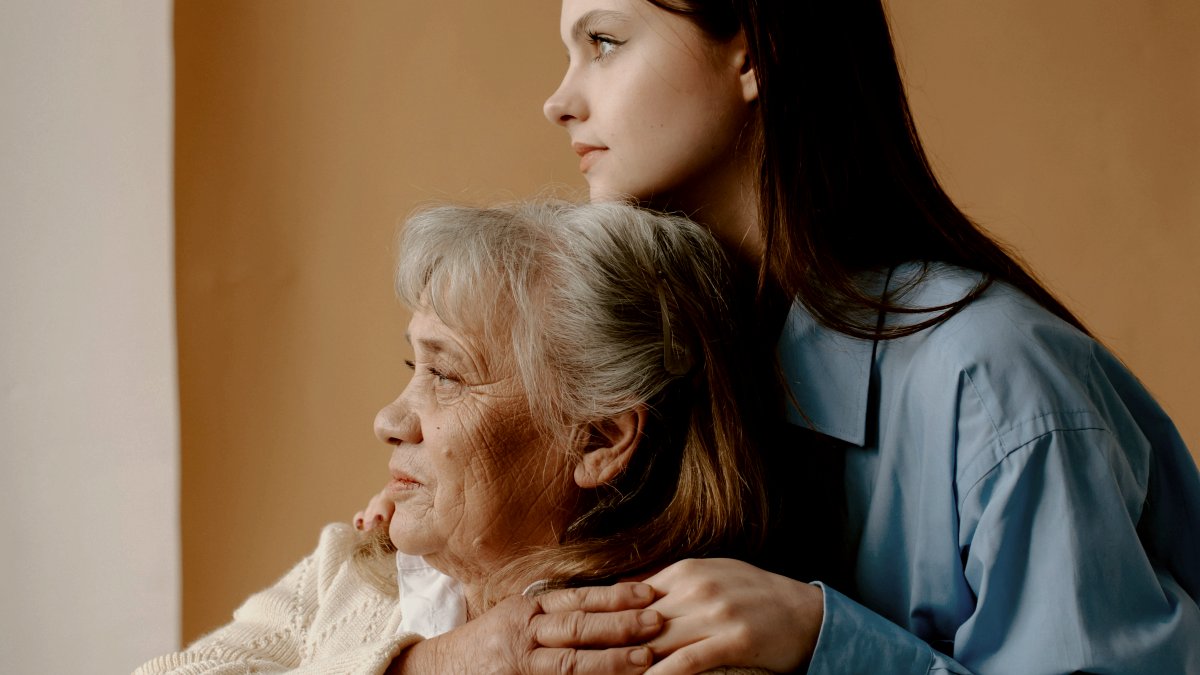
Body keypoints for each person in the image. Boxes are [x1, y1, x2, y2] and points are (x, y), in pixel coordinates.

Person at [355, 1, 1200, 673]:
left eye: (605, 41)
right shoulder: (659, 359)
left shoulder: (996, 382)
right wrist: (445, 561)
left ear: (754, 50)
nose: (559, 98)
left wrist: (822, 635)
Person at [137, 201, 806, 674]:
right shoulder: (353, 569)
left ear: (599, 440)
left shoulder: (674, 656)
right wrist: (430, 668)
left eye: (447, 374)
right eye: (413, 366)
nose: (390, 420)